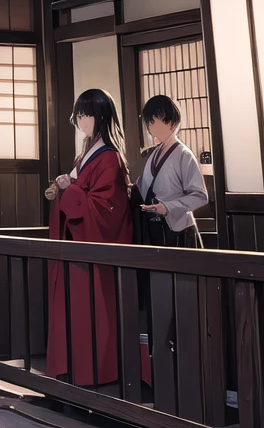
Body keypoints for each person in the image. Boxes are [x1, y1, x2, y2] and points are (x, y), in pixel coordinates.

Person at [46, 89, 132, 387]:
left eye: (87, 115)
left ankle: (93, 373)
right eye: (79, 115)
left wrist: (68, 189)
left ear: (102, 117)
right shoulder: (86, 152)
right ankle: (74, 371)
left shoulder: (108, 159)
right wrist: (66, 187)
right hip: (77, 246)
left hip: (94, 250)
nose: (81, 121)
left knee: (92, 313)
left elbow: (103, 208)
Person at [134, 94, 208, 247]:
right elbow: (142, 187)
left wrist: (167, 207)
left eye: (157, 121)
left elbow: (200, 195)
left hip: (178, 227)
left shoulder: (183, 154)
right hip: (153, 227)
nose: (152, 126)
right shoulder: (154, 153)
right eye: (150, 121)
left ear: (172, 123)